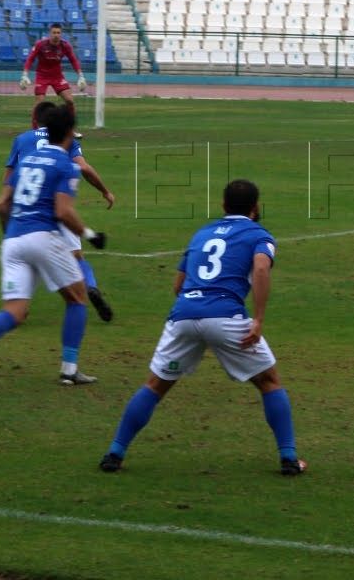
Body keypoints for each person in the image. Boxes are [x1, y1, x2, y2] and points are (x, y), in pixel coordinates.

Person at [99, 179, 306, 477]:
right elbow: (261, 268)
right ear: (256, 208)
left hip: (183, 314)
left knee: (155, 386)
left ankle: (114, 453)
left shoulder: (201, 234)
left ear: (223, 206)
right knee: (269, 381)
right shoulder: (259, 234)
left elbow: (178, 285)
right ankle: (289, 459)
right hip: (226, 316)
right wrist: (258, 319)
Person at [0, 108, 108, 390]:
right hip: (43, 237)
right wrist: (90, 234)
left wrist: (10, 237)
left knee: (15, 311)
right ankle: (69, 370)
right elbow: (63, 212)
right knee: (77, 299)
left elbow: (2, 204)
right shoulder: (66, 165)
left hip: (14, 239)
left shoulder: (26, 160)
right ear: (69, 133)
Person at [4, 101, 117, 322]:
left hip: (25, 215)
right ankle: (90, 287)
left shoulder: (22, 139)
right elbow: (83, 167)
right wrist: (105, 191)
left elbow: (7, 181)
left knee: (25, 261)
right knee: (76, 257)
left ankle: (18, 308)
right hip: (59, 208)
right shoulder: (65, 139)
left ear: (35, 120)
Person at [21, 23, 86, 137]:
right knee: (39, 103)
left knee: (70, 101)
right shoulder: (41, 44)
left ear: (61, 34)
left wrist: (80, 75)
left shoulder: (65, 46)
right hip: (42, 76)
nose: (56, 35)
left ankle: (70, 130)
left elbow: (73, 60)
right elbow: (30, 58)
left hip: (57, 76)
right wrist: (25, 74)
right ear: (50, 34)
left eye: (58, 33)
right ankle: (35, 131)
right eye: (54, 33)